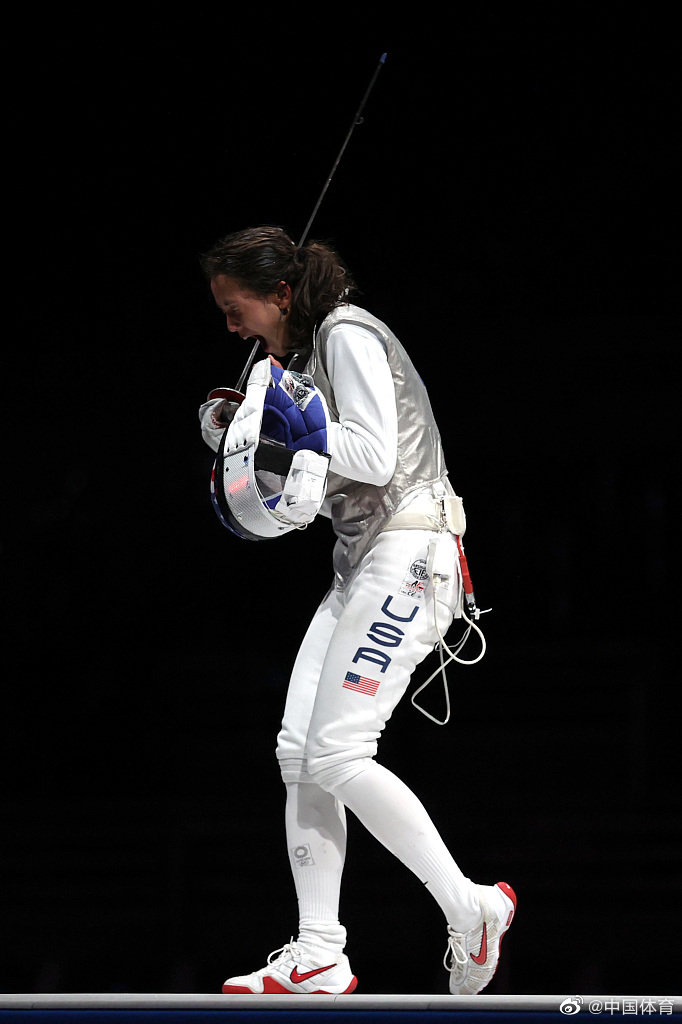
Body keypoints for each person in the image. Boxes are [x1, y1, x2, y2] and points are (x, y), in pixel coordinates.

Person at [198, 226, 516, 996]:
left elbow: (373, 454)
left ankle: (471, 907)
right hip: (360, 565)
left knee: (339, 752)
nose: (231, 326)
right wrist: (256, 431)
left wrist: (284, 429)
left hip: (413, 552)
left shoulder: (345, 331)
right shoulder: (299, 362)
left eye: (235, 308)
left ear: (280, 294)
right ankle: (319, 951)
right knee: (299, 752)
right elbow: (310, 485)